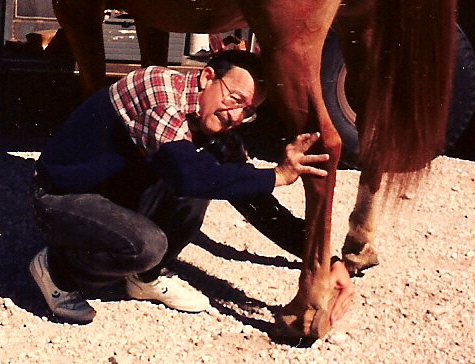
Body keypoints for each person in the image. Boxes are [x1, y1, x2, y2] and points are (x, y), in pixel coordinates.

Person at [29, 49, 353, 324]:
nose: (236, 116)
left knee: (211, 181)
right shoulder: (158, 92)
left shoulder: (213, 117)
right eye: (235, 99)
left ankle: (143, 279)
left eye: (249, 111)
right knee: (149, 243)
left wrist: (326, 259)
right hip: (62, 196)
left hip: (112, 194)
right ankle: (58, 271)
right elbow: (189, 176)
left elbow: (254, 200)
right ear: (206, 77)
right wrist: (277, 175)